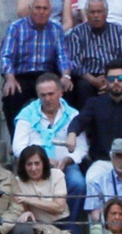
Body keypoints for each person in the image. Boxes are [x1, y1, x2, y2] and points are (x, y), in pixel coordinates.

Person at [12, 75, 87, 209]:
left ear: (60, 92)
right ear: (38, 95)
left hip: (66, 165)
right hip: (34, 165)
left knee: (78, 183)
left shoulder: (73, 115)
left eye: (51, 94)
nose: (47, 99)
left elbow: (82, 148)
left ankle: (69, 222)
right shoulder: (27, 114)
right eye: (43, 95)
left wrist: (68, 160)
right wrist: (44, 160)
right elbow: (18, 147)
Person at [71, 61, 122, 175]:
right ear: (106, 81)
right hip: (103, 162)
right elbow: (80, 120)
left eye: (121, 78)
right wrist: (72, 133)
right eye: (112, 79)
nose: (116, 82)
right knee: (91, 179)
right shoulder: (94, 104)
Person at [2, 0, 72, 126]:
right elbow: (6, 56)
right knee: (11, 94)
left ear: (50, 12)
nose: (41, 12)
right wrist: (10, 78)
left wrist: (66, 75)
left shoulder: (56, 29)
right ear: (31, 9)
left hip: (47, 75)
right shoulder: (16, 27)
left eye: (45, 9)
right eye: (37, 8)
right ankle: (17, 140)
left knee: (68, 89)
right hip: (22, 75)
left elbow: (63, 56)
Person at [66, 0, 122, 105]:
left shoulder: (119, 31)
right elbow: (74, 62)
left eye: (99, 11)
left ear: (106, 13)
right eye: (92, 12)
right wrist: (92, 79)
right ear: (87, 14)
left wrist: (111, 80)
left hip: (115, 75)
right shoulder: (77, 33)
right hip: (88, 76)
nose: (96, 15)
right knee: (82, 86)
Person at [14, 144, 76, 234]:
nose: (33, 168)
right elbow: (24, 210)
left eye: (37, 163)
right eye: (29, 164)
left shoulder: (57, 175)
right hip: (38, 225)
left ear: (43, 163)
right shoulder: (17, 182)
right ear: (23, 166)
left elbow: (59, 207)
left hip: (62, 221)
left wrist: (28, 200)